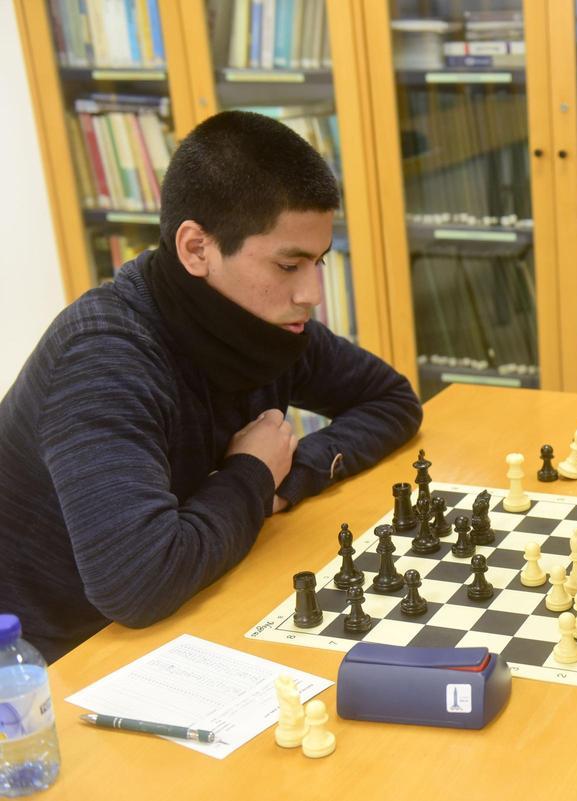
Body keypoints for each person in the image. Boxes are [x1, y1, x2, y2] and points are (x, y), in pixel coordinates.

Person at [0, 111, 423, 663]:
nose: (312, 293)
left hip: (190, 603)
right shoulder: (103, 358)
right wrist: (250, 475)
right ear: (196, 248)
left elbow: (392, 400)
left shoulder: (257, 325)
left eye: (319, 261)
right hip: (52, 661)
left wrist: (285, 473)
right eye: (289, 264)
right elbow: (137, 583)